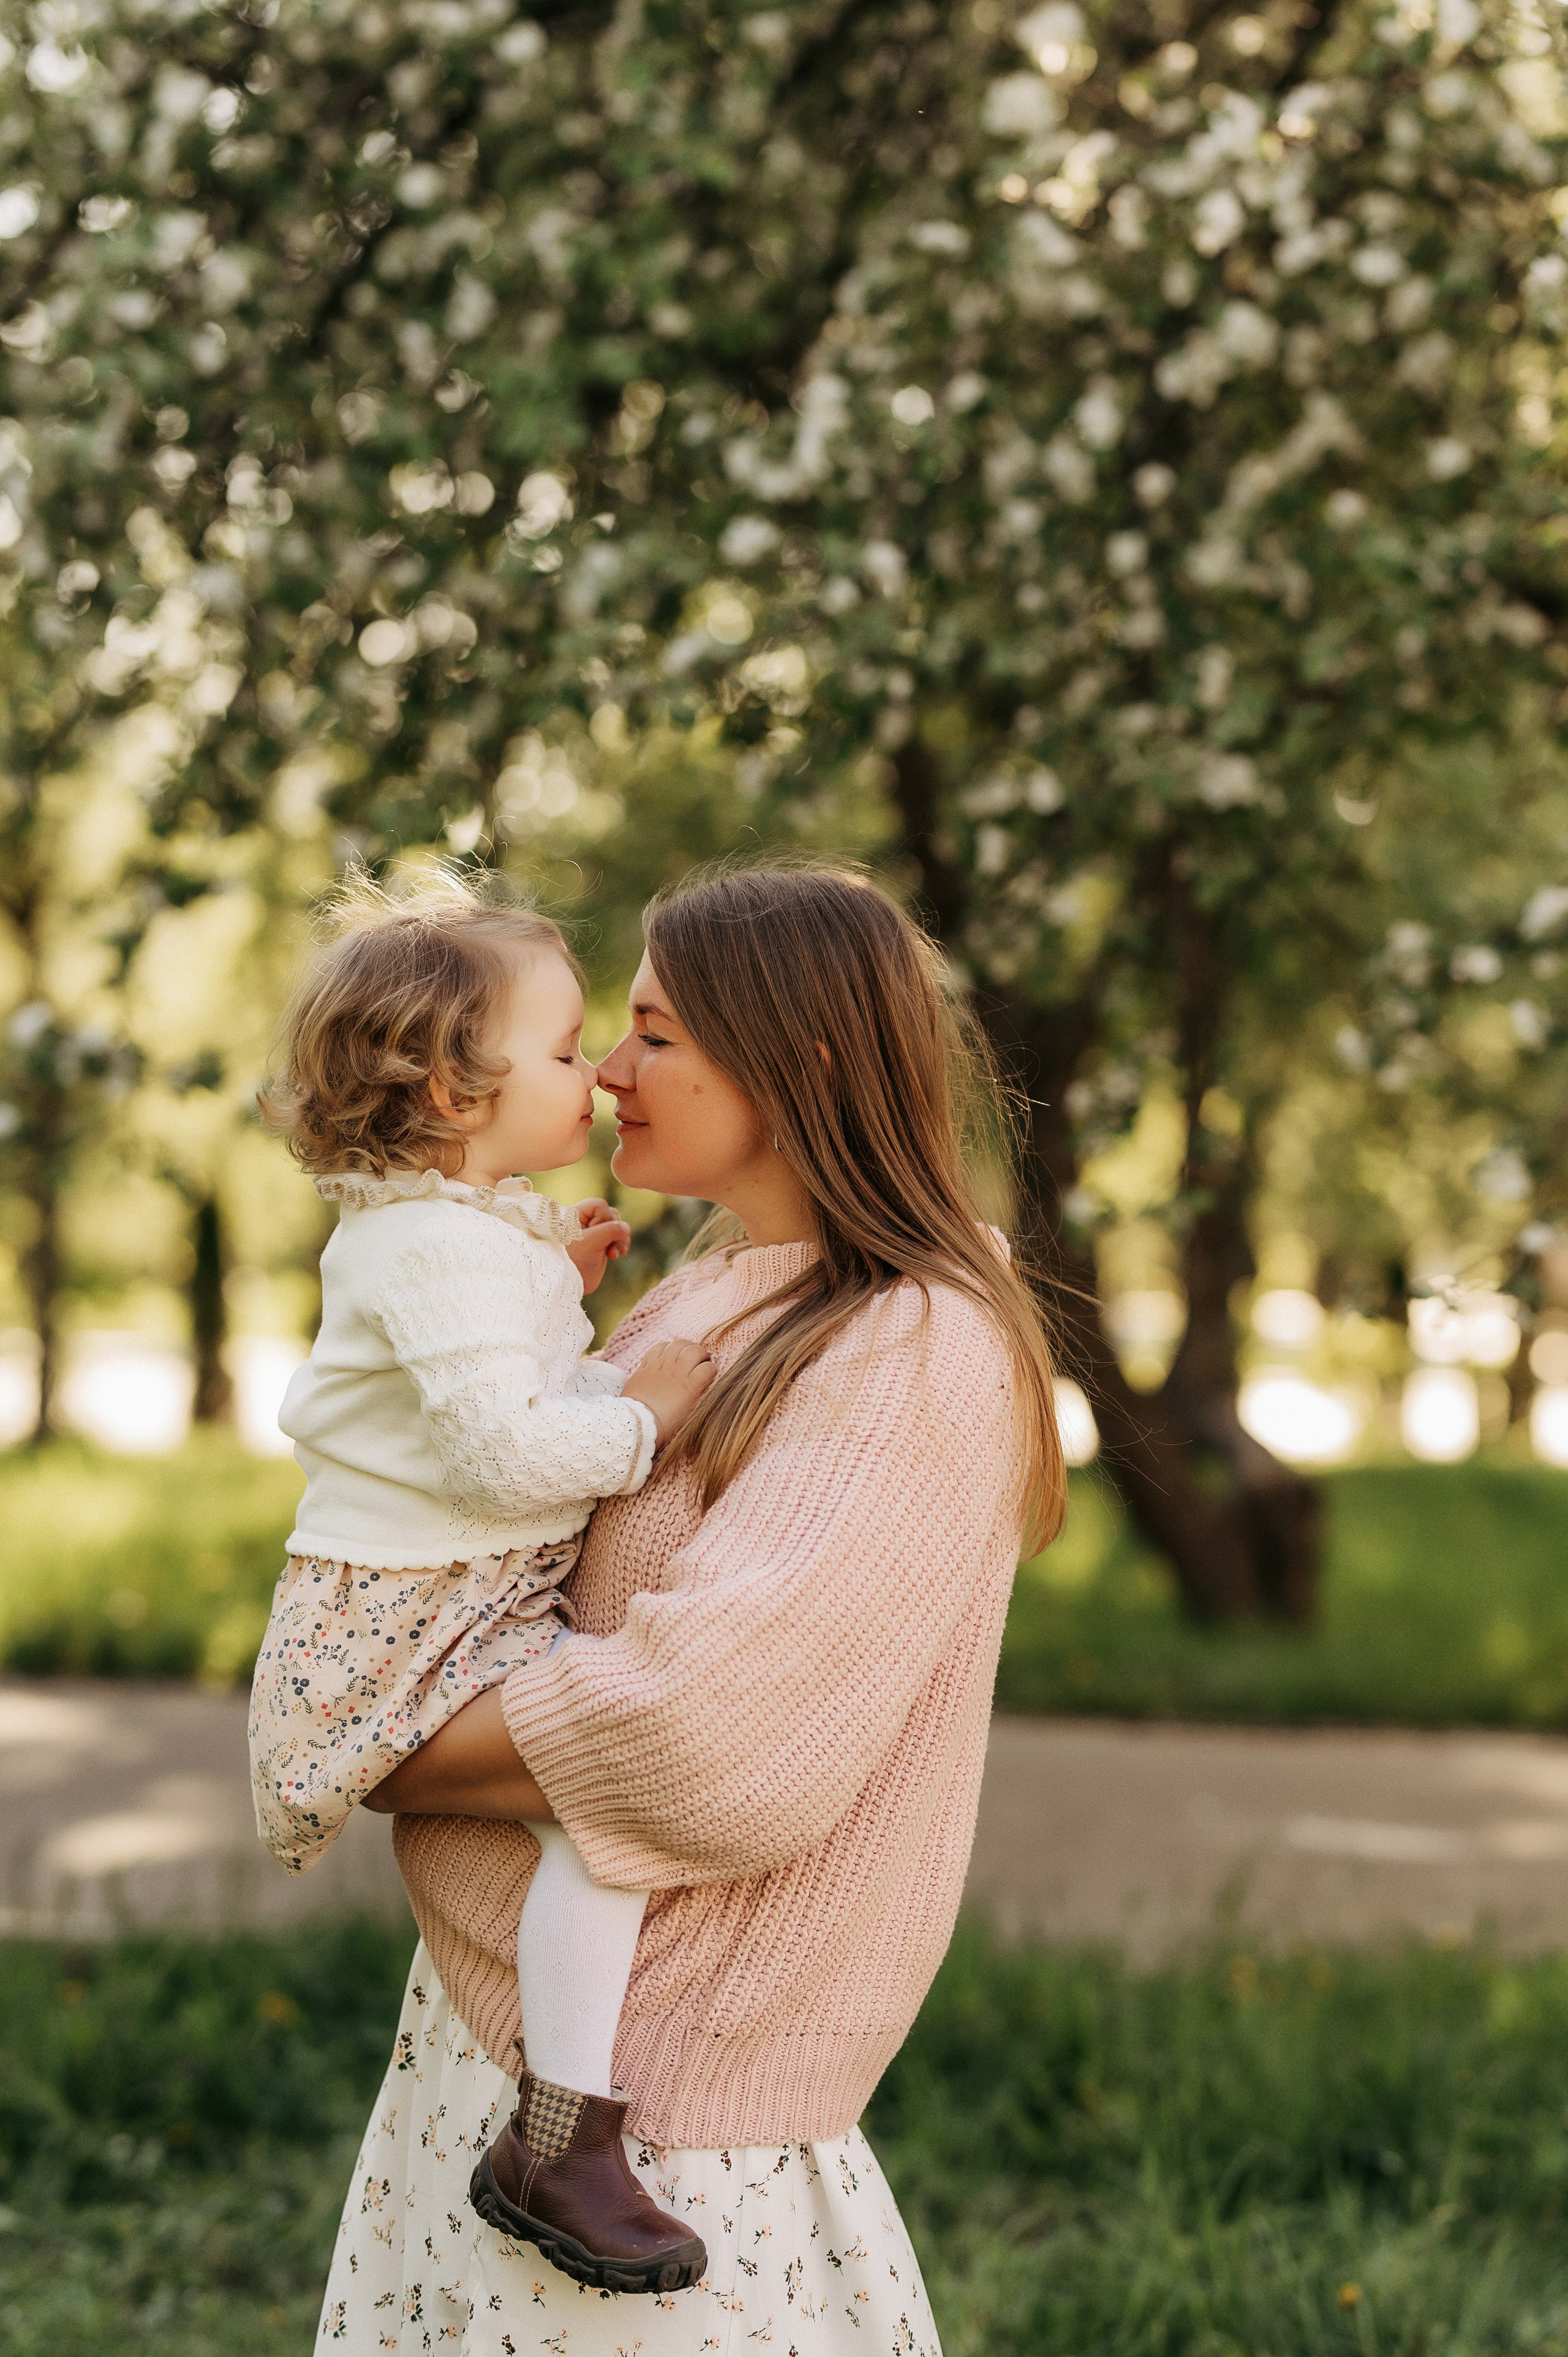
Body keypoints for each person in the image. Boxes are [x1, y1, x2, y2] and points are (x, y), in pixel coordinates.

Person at [318, 859, 1066, 2357]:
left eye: (652, 1032)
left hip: (661, 2122)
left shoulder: (909, 1340)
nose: (604, 1069)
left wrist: (377, 1745)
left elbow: (703, 1734)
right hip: (503, 2055)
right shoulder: (710, 1289)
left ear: (800, 1064)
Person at [249, 865, 719, 2293]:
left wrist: (554, 1284)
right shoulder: (436, 1249)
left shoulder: (458, 1233)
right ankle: (564, 2136)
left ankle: (557, 2126)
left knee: (592, 1817)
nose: (595, 1077)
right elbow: (498, 1454)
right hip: (408, 1617)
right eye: (570, 1049)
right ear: (456, 1091)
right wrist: (652, 1421)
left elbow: (476, 1376)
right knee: (600, 1815)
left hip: (446, 1593)